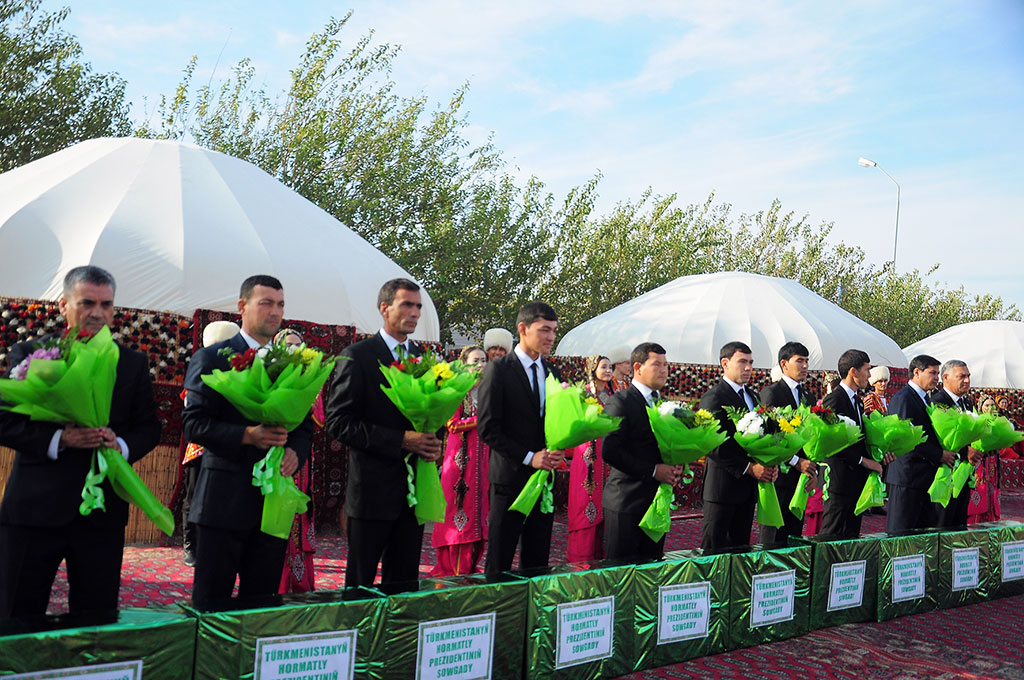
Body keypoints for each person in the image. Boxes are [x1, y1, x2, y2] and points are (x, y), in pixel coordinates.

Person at [0, 266, 161, 618]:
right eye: (87, 303)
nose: (97, 313)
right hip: (34, 509)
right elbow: (5, 420)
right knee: (16, 614)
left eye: (106, 305)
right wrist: (61, 438)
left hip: (101, 513)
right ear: (63, 305)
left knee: (96, 618)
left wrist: (121, 445)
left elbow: (150, 428)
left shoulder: (132, 362)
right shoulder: (31, 353)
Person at [183, 276, 314, 606]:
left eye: (281, 304)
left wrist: (296, 453)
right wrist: (246, 435)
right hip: (223, 504)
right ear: (242, 307)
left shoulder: (292, 363)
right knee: (211, 608)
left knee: (261, 608)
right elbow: (194, 424)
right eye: (266, 303)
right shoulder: (213, 358)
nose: (275, 311)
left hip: (272, 508)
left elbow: (303, 428)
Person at [325, 278, 441, 587]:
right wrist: (402, 440)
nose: (415, 313)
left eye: (418, 307)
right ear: (384, 308)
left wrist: (433, 442)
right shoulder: (358, 356)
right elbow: (337, 422)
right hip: (372, 492)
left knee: (403, 584)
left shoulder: (424, 359)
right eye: (407, 305)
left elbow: (432, 414)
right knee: (361, 585)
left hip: (413, 491)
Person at [478, 301, 564, 573]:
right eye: (544, 330)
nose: (550, 337)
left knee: (538, 561)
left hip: (543, 482)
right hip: (509, 481)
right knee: (500, 558)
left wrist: (559, 447)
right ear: (523, 329)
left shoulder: (553, 372)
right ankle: (496, 612)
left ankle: (533, 613)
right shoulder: (499, 370)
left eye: (553, 331)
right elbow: (488, 428)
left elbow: (557, 421)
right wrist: (530, 458)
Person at [603, 343, 680, 561]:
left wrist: (677, 464)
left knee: (652, 572)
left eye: (666, 365)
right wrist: (654, 470)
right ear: (638, 367)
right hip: (627, 501)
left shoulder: (665, 404)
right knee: (622, 574)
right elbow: (610, 451)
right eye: (657, 364)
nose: (664, 370)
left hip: (656, 503)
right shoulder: (621, 401)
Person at [699, 341, 776, 551]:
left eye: (751, 362)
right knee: (714, 551)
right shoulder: (713, 397)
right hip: (722, 489)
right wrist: (749, 468)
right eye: (742, 362)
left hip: (747, 489)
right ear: (725, 363)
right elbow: (713, 443)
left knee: (740, 551)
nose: (748, 368)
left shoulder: (753, 397)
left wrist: (771, 462)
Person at [180, 320, 240, 567]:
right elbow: (191, 412)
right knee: (193, 496)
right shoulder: (201, 369)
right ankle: (190, 546)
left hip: (231, 447)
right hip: (201, 446)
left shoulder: (242, 374)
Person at [431, 346, 490, 576]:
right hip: (459, 463)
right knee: (457, 511)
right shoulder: (456, 389)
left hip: (481, 462)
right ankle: (451, 570)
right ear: (464, 363)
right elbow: (453, 425)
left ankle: (470, 567)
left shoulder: (486, 391)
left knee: (478, 514)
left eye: (484, 360)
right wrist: (483, 417)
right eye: (475, 360)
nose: (481, 365)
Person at [886, 355, 957, 533]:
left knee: (921, 535)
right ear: (917, 372)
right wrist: (939, 454)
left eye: (937, 374)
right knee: (901, 534)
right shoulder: (904, 398)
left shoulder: (926, 399)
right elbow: (907, 438)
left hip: (924, 477)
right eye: (932, 373)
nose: (936, 378)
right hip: (907, 477)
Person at [758, 342, 817, 547]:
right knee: (774, 539)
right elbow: (769, 437)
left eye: (807, 361)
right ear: (784, 364)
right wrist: (795, 461)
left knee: (794, 539)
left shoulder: (809, 396)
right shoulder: (772, 393)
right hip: (778, 477)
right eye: (799, 361)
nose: (805, 366)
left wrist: (811, 470)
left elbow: (812, 437)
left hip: (801, 480)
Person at [273, 328, 317, 593]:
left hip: (300, 455)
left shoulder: (310, 379)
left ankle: (300, 582)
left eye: (298, 346)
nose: (294, 350)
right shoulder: (268, 375)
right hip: (273, 456)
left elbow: (320, 419)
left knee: (299, 516)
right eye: (288, 345)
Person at [819, 350, 881, 538]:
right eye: (867, 370)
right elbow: (833, 442)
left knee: (851, 536)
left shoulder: (857, 401)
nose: (869, 376)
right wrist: (864, 461)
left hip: (855, 481)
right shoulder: (835, 399)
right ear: (853, 371)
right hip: (839, 480)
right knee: (833, 534)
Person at [564, 354, 614, 562]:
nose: (609, 371)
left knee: (605, 502)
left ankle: (600, 554)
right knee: (586, 500)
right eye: (604, 367)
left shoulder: (613, 394)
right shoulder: (583, 394)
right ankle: (581, 556)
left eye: (610, 367)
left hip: (608, 454)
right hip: (587, 453)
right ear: (593, 369)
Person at [930, 359, 980, 528]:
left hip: (963, 475)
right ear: (946, 377)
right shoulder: (938, 402)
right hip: (944, 474)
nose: (966, 380)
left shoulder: (967, 402)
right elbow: (941, 438)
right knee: (943, 525)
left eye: (968, 376)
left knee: (959, 526)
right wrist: (966, 451)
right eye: (961, 376)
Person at [968, 394, 1002, 521]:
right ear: (981, 407)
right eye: (987, 405)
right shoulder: (976, 422)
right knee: (978, 490)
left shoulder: (998, 422)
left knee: (991, 490)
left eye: (992, 405)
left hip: (992, 462)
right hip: (978, 463)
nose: (990, 408)